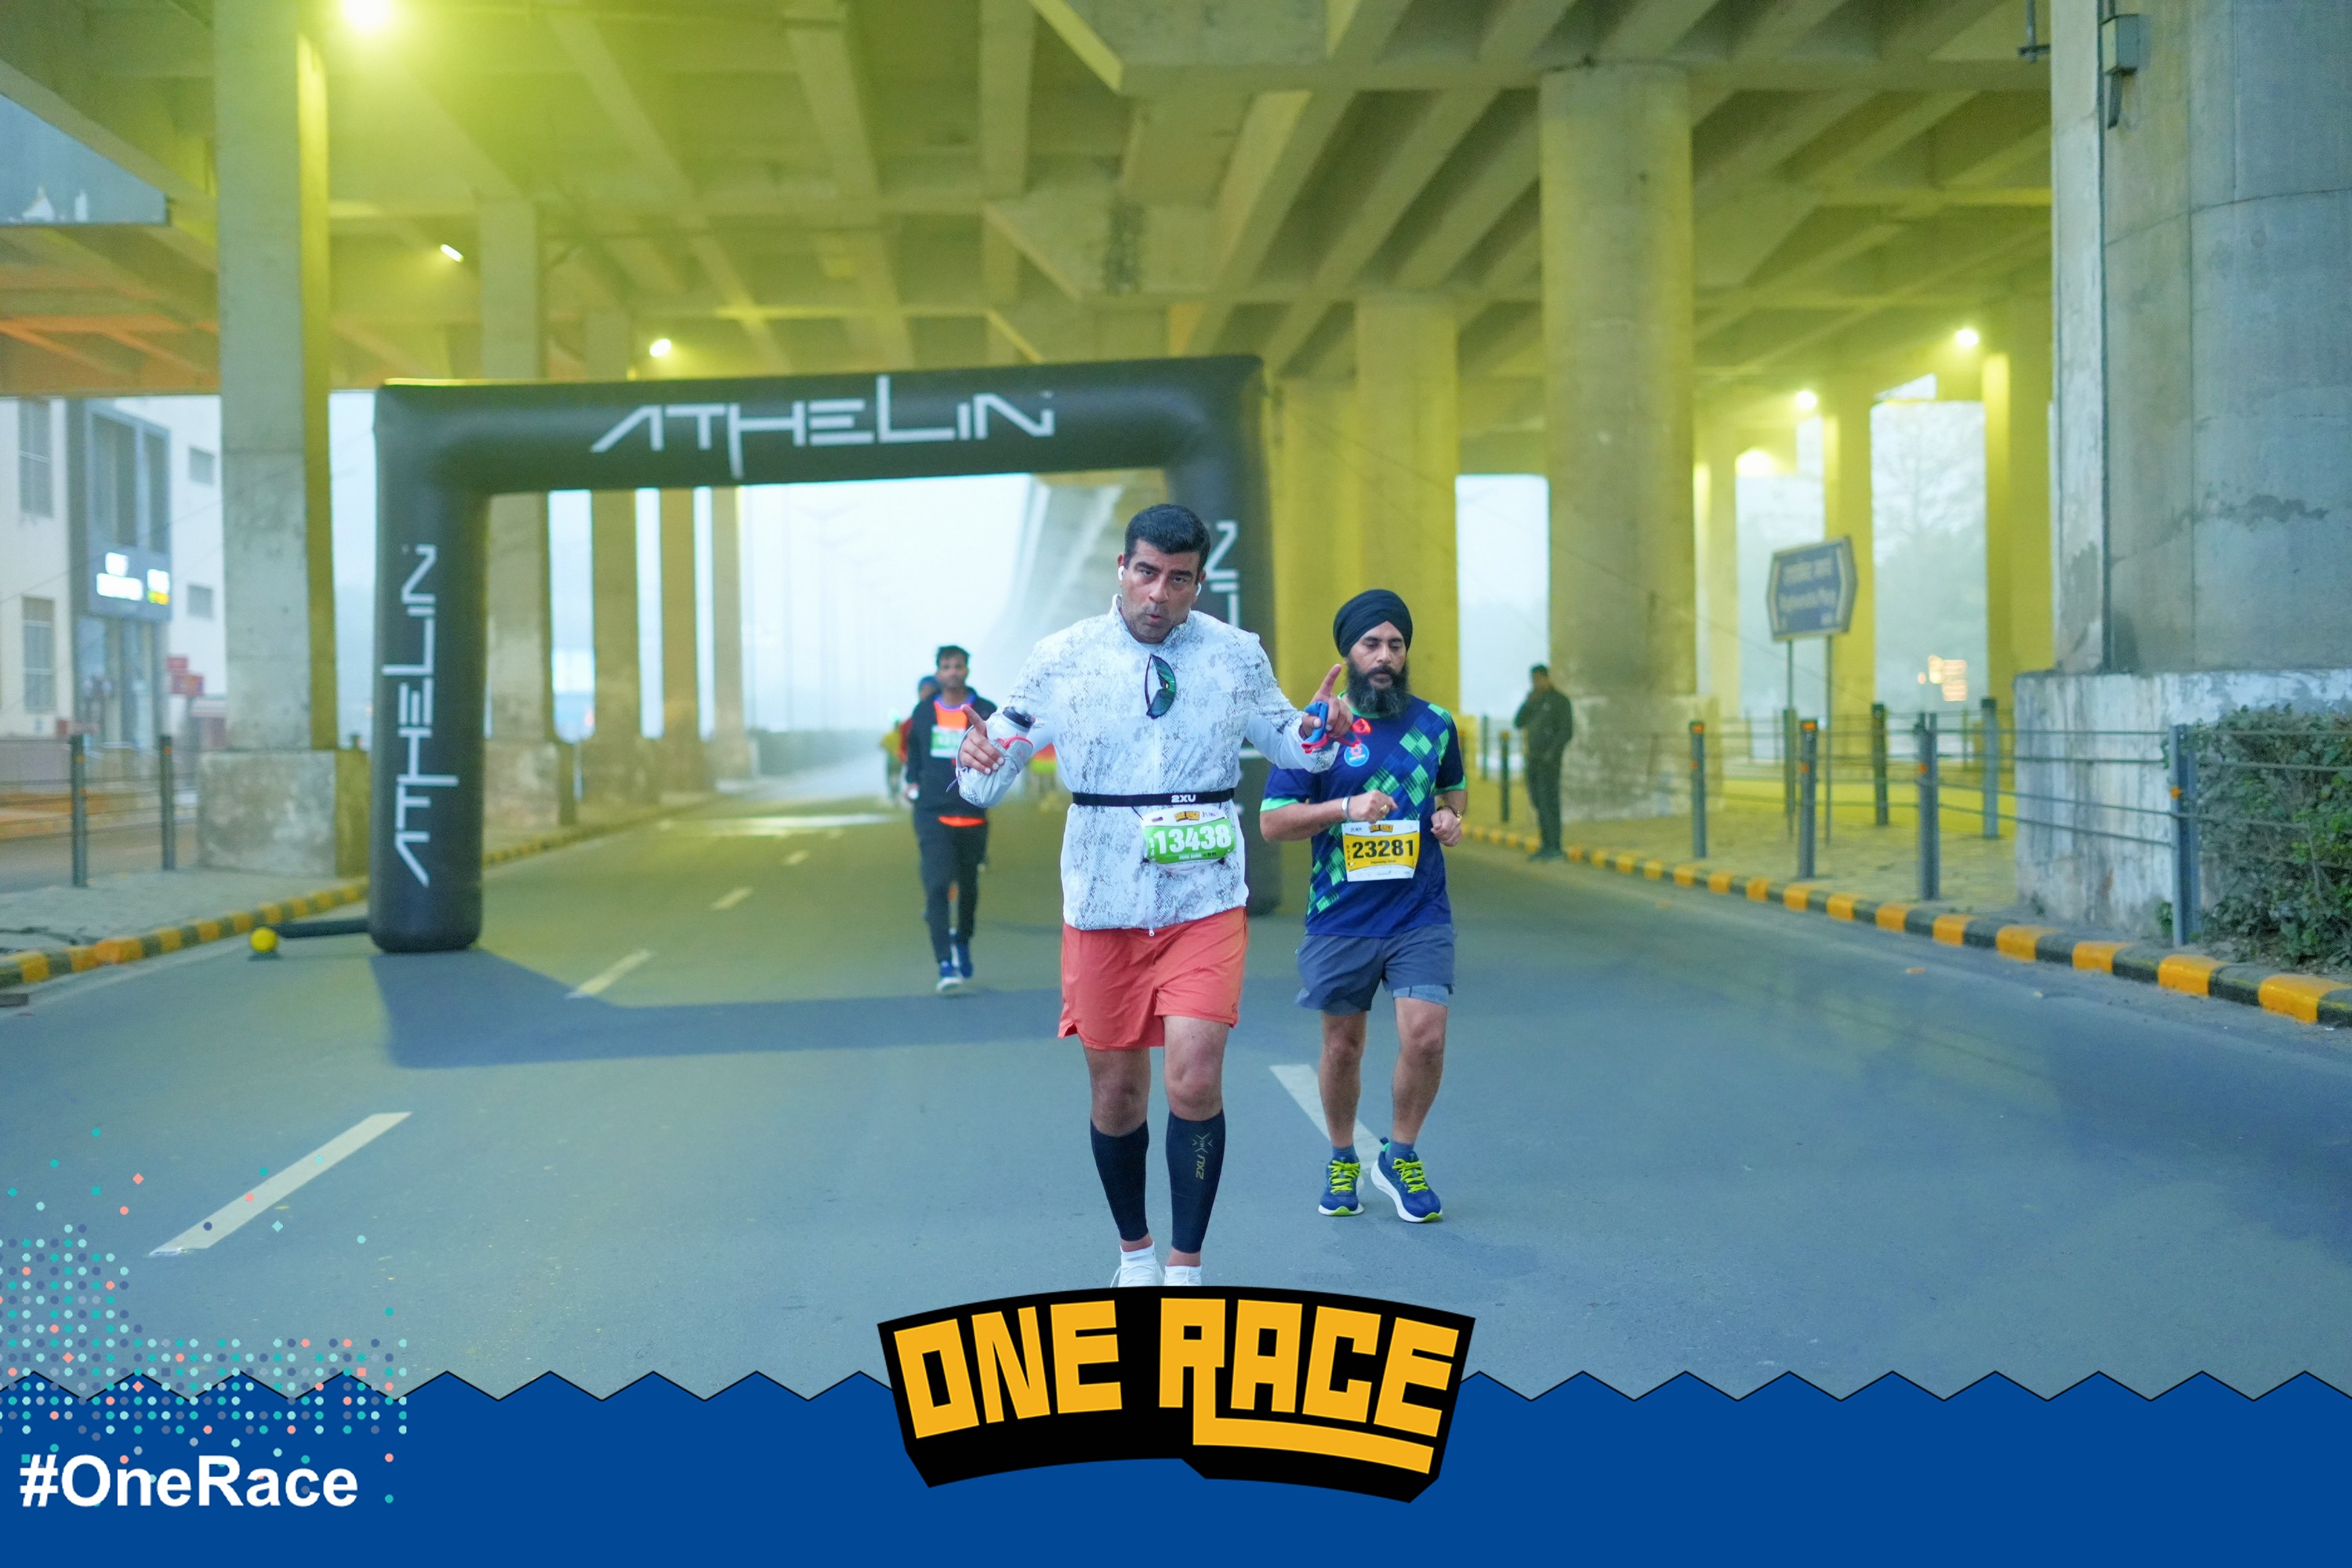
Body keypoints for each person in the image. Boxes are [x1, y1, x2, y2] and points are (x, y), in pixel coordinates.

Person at [955, 503, 1347, 1288]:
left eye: (1178, 579)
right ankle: (1134, 1252)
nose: (1159, 594)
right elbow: (988, 774)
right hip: (1102, 898)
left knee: (1194, 1077)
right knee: (1118, 1091)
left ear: (1199, 582)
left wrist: (1321, 730)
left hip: (1205, 895)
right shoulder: (1063, 658)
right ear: (1122, 569)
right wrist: (977, 759)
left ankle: (1186, 1266)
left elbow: (1289, 741)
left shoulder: (1236, 654)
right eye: (1146, 573)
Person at [1260, 590, 1465, 1224]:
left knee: (1426, 1037)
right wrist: (1344, 808)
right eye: (1371, 644)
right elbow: (1274, 822)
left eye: (1395, 645)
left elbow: (1453, 793)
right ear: (1348, 652)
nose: (1385, 656)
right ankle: (1343, 1156)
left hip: (1418, 910)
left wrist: (1449, 818)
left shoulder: (1436, 724)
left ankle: (1400, 1155)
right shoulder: (1317, 728)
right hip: (1341, 914)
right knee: (1343, 1047)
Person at [903, 648, 996, 993]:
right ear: (938, 673)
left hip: (972, 812)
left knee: (968, 886)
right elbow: (915, 752)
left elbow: (1002, 750)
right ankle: (944, 962)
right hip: (932, 814)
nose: (953, 672)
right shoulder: (924, 712)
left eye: (958, 666)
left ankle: (963, 939)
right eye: (946, 667)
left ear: (967, 670)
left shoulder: (985, 709)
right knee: (937, 884)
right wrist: (912, 782)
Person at [1514, 663, 1573, 862]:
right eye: (1533, 680)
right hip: (1533, 759)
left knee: (1550, 803)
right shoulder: (1535, 701)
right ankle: (1545, 844)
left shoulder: (1560, 701)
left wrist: (1552, 753)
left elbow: (1566, 731)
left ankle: (1554, 846)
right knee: (1538, 801)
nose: (1535, 683)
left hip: (1549, 762)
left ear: (1546, 678)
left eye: (1538, 679)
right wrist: (1528, 702)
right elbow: (1518, 723)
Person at [888, 674, 942, 799]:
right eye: (922, 690)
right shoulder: (910, 722)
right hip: (920, 776)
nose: (925, 694)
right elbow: (905, 747)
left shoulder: (946, 717)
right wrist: (911, 765)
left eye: (931, 690)